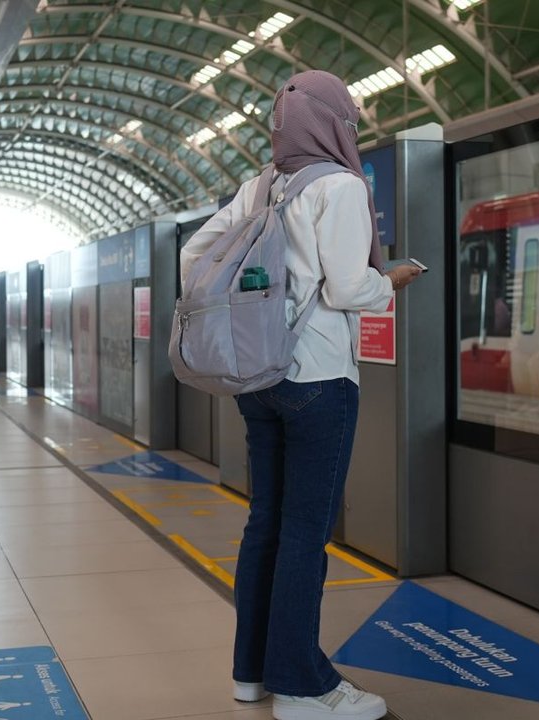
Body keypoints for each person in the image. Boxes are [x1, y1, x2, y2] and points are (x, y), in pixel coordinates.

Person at [181, 71, 420, 720]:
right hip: (316, 379)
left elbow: (193, 259)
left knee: (266, 523)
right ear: (331, 124)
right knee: (304, 533)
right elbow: (347, 288)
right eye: (348, 118)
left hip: (257, 382)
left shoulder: (258, 186)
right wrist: (391, 280)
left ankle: (251, 673)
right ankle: (302, 686)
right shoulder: (339, 187)